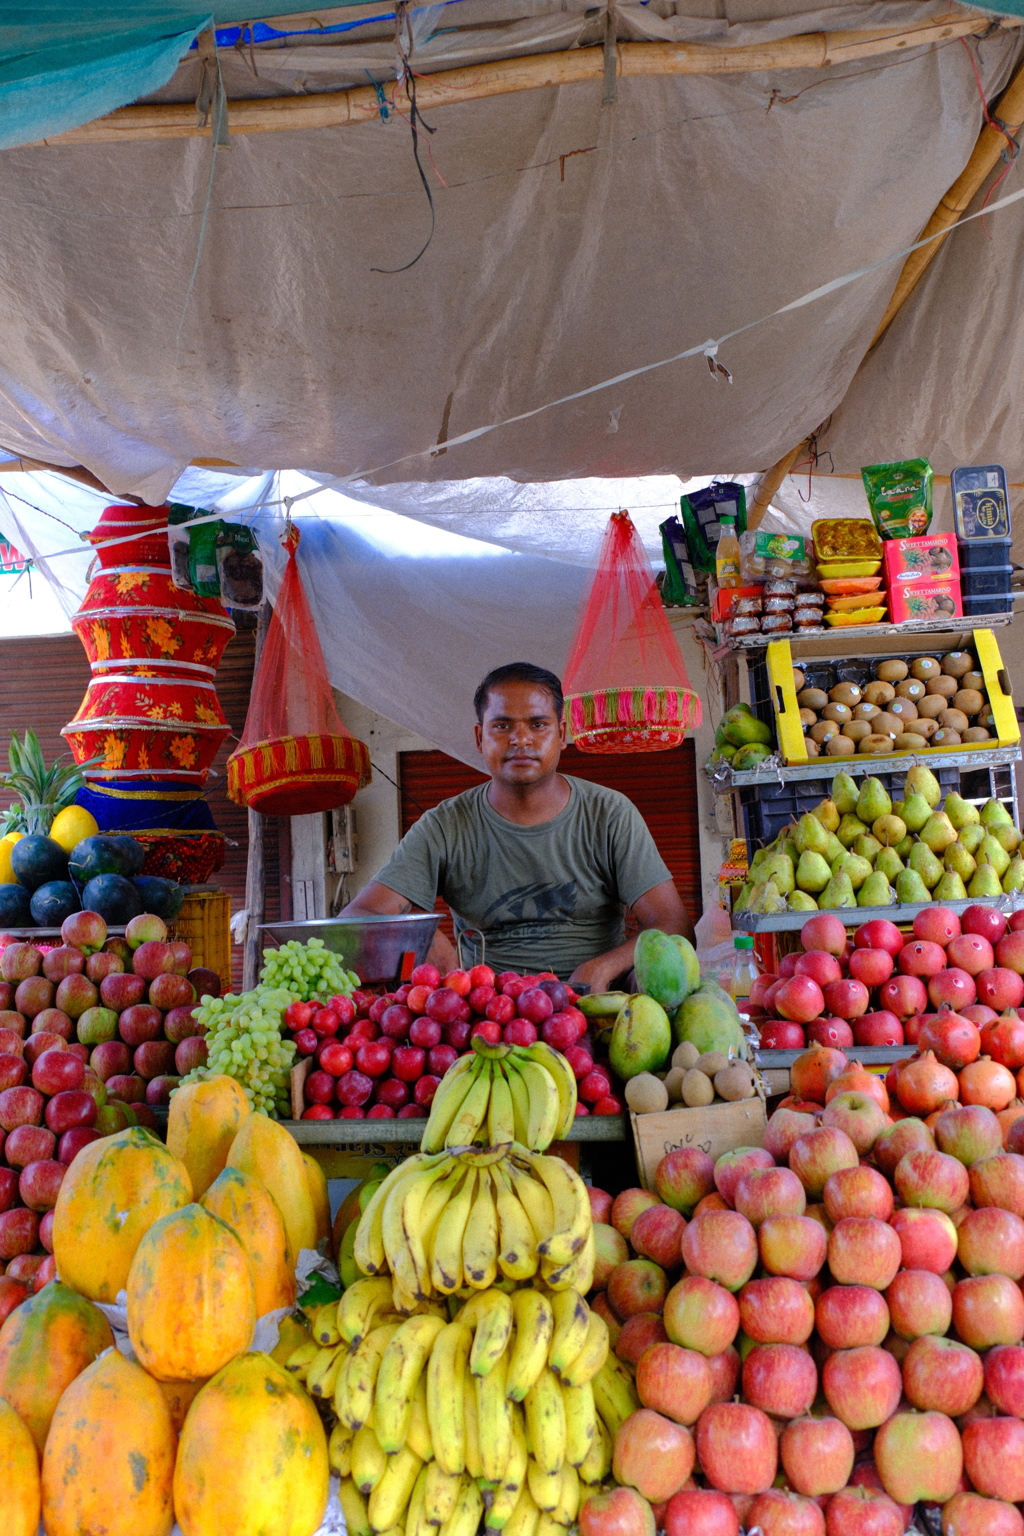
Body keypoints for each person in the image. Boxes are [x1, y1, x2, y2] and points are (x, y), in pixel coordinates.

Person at [341, 662, 694, 990]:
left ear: (562, 734)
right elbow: (357, 915)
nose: (520, 739)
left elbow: (674, 926)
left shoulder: (609, 814)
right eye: (503, 725)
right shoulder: (444, 826)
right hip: (488, 1015)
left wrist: (601, 968)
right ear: (480, 738)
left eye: (537, 724)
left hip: (597, 1004)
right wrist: (419, 936)